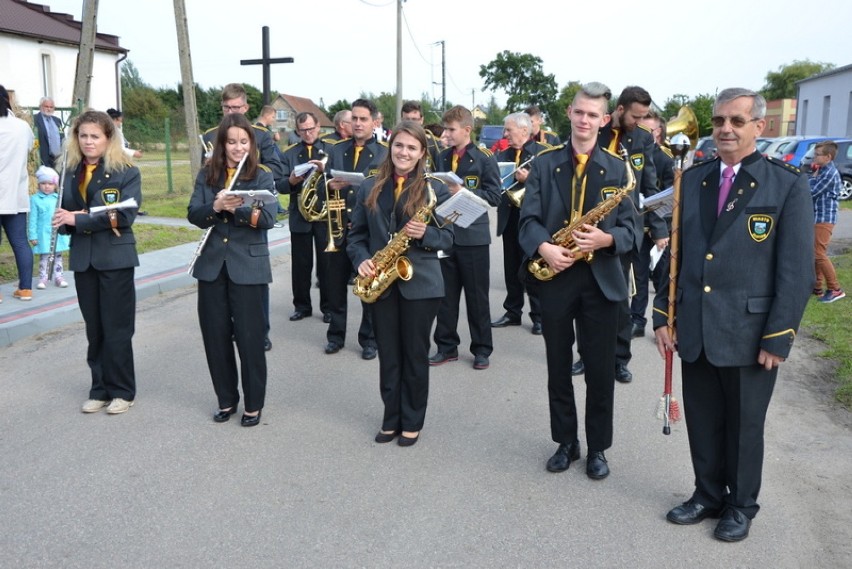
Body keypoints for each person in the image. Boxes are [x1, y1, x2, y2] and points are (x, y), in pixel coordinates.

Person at [654, 88, 813, 542]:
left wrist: (778, 336)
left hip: (750, 331)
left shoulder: (786, 184)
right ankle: (707, 495)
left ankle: (740, 505)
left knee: (744, 426)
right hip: (697, 326)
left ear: (759, 128)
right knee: (703, 419)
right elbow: (676, 255)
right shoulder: (693, 178)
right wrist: (662, 314)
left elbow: (796, 270)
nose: (726, 128)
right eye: (720, 120)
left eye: (737, 121)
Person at [519, 82, 636, 481]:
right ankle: (565, 442)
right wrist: (545, 248)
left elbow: (632, 232)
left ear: (604, 120)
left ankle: (598, 448)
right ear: (569, 113)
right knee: (556, 365)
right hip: (557, 276)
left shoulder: (619, 169)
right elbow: (527, 220)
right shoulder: (544, 163)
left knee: (601, 370)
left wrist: (606, 239)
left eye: (593, 115)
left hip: (600, 280)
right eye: (579, 112)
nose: (585, 120)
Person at [347, 121, 454, 446]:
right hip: (382, 280)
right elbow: (356, 237)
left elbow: (450, 239)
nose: (403, 152)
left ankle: (412, 420)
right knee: (389, 355)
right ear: (390, 147)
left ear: (422, 153)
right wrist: (361, 259)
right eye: (399, 145)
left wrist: (427, 235)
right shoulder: (369, 187)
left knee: (415, 354)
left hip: (421, 283)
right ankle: (390, 417)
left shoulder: (437, 189)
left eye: (411, 147)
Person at [188, 113, 277, 427]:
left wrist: (237, 208)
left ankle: (253, 404)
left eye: (244, 142)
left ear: (251, 144)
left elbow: (268, 219)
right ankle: (226, 399)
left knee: (250, 338)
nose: (238, 148)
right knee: (216, 336)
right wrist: (214, 207)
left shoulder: (262, 176)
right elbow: (193, 215)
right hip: (212, 266)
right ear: (221, 144)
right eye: (232, 142)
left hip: (248, 266)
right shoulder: (207, 176)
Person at [53, 110, 142, 415]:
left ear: (108, 138)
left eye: (95, 136)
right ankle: (99, 388)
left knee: (117, 328)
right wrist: (62, 221)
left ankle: (122, 390)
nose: (88, 142)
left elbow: (125, 215)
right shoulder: (69, 170)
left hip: (115, 257)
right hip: (84, 258)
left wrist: (78, 219)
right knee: (95, 329)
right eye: (83, 136)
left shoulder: (126, 171)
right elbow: (66, 214)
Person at [574, 85, 664, 384]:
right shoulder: (594, 131)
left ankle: (619, 360)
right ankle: (585, 355)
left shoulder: (642, 139)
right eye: (635, 116)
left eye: (643, 117)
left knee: (621, 301)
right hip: (587, 226)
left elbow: (649, 187)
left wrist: (660, 229)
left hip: (625, 229)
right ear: (620, 110)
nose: (638, 122)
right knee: (585, 297)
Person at [201, 83, 285, 351]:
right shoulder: (211, 134)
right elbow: (203, 171)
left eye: (236, 107)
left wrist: (248, 179)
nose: (230, 112)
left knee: (253, 284)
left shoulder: (260, 135)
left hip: (251, 200)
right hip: (220, 218)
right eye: (226, 107)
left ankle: (260, 331)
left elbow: (274, 167)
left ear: (246, 108)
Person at [429, 105, 501, 370]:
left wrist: (462, 192)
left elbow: (494, 196)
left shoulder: (484, 158)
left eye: (451, 129)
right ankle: (446, 347)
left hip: (473, 237)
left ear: (467, 130)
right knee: (445, 297)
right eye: (445, 128)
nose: (446, 134)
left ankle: (482, 349)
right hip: (446, 234)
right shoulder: (443, 157)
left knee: (477, 297)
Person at [323, 98, 387, 359]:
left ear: (374, 122)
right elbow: (321, 184)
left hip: (367, 231)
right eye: (354, 119)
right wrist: (329, 186)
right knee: (335, 287)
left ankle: (369, 339)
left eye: (363, 119)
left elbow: (385, 192)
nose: (357, 124)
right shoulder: (337, 149)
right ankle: (335, 336)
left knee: (367, 286)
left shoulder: (384, 152)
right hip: (339, 230)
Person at [491, 112, 548, 335]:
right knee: (511, 267)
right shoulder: (502, 154)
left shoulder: (542, 154)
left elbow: (551, 186)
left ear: (524, 131)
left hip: (532, 219)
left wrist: (529, 180)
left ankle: (539, 316)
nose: (505, 134)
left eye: (509, 130)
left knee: (532, 265)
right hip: (509, 215)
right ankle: (512, 311)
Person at [281, 111, 332, 323]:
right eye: (303, 130)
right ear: (297, 131)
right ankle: (301, 306)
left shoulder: (331, 149)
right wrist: (292, 181)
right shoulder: (289, 153)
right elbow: (280, 185)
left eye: (311, 129)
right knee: (301, 265)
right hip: (300, 216)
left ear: (318, 126)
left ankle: (329, 308)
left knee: (327, 264)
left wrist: (325, 170)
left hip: (324, 215)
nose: (308, 133)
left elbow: (339, 177)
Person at [630, 110, 675, 337]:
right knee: (637, 276)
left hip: (661, 227)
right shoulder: (632, 152)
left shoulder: (667, 159)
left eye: (648, 130)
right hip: (639, 224)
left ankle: (666, 322)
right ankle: (637, 320)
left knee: (662, 278)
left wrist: (661, 229)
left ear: (658, 133)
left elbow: (669, 197)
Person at [0, 85, 35, 303]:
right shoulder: (22, 127)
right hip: (15, 194)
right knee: (20, 242)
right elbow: (30, 149)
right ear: (7, 100)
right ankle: (25, 289)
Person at [809, 140, 845, 303]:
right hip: (817, 216)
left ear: (828, 157)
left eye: (817, 155)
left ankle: (835, 289)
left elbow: (811, 191)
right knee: (815, 252)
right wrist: (813, 175)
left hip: (825, 218)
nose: (813, 158)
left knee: (819, 253)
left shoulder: (830, 174)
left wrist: (811, 178)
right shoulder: (823, 170)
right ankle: (817, 287)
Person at [28, 166, 70, 289]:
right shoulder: (35, 199)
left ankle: (59, 276)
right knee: (45, 256)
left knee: (57, 256)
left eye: (50, 184)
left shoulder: (58, 198)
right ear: (39, 184)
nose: (47, 186)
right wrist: (33, 235)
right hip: (43, 234)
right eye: (43, 183)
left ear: (55, 185)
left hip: (57, 233)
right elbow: (32, 219)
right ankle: (43, 277)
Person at [401, 100, 443, 171]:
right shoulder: (394, 143)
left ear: (421, 120)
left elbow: (440, 172)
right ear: (402, 120)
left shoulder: (433, 144)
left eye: (414, 119)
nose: (411, 123)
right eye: (407, 120)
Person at [34, 97, 63, 168]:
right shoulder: (34, 119)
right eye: (46, 106)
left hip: (57, 160)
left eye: (51, 107)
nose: (49, 109)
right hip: (42, 160)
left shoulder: (57, 121)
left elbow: (62, 135)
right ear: (40, 107)